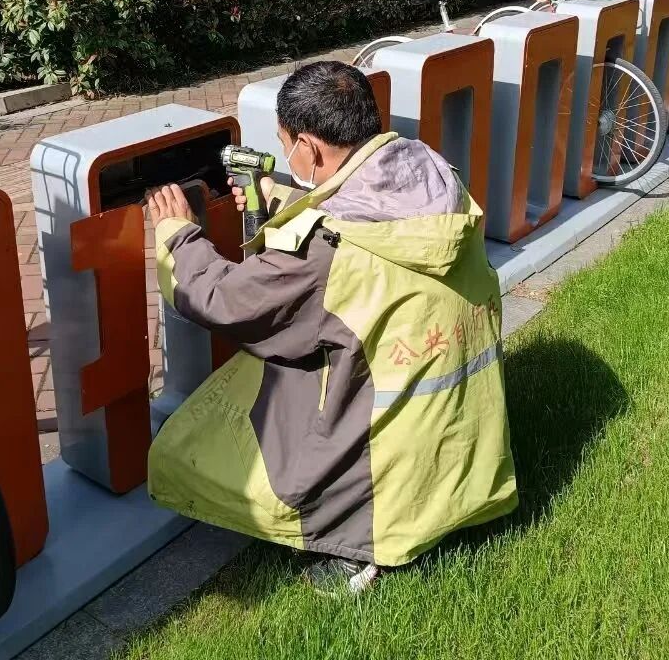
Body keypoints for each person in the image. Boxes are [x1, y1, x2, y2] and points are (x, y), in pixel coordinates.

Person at [144, 60, 517, 596]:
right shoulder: (431, 173)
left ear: (310, 147)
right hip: (460, 424)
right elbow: (362, 216)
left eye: (287, 145)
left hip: (388, 454)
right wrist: (287, 201)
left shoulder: (327, 250)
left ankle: (356, 547)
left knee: (249, 409)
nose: (287, 158)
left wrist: (177, 233)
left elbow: (224, 301)